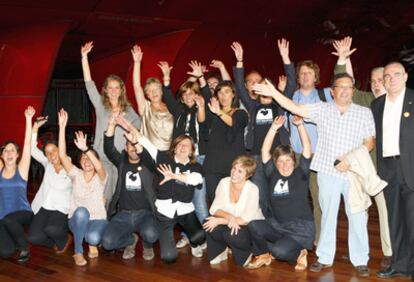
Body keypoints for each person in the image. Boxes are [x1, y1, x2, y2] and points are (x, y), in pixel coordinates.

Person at [253, 72, 375, 277]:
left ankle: (360, 259)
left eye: (349, 87)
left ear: (353, 90)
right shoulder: (322, 109)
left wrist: (350, 160)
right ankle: (325, 257)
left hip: (354, 172)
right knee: (327, 215)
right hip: (327, 171)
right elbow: (295, 108)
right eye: (341, 87)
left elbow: (369, 142)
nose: (345, 90)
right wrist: (274, 92)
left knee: (357, 216)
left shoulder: (364, 112)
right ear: (332, 91)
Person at [118, 117, 206, 263]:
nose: (183, 147)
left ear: (191, 152)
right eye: (180, 145)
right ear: (175, 148)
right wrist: (134, 134)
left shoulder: (196, 166)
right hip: (165, 211)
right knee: (168, 257)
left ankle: (194, 243)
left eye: (187, 146)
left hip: (185, 210)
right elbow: (147, 144)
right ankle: (170, 242)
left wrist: (174, 176)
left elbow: (196, 179)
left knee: (200, 237)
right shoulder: (164, 158)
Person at [231, 41, 292, 217]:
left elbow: (291, 84)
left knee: (278, 192)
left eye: (267, 87)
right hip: (256, 155)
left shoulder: (280, 104)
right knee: (261, 194)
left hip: (277, 155)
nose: (264, 91)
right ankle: (265, 225)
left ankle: (280, 224)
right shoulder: (252, 106)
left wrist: (285, 58)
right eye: (261, 87)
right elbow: (241, 88)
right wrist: (240, 60)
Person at [247, 115, 314, 271]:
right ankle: (263, 255)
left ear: (293, 160)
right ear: (275, 163)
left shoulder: (301, 173)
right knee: (254, 226)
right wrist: (273, 128)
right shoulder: (272, 175)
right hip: (278, 225)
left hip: (299, 228)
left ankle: (299, 252)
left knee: (279, 251)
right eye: (280, 161)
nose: (284, 165)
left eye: (288, 160)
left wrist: (300, 125)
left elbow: (307, 148)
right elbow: (264, 150)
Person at [81, 41, 141, 206]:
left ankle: (115, 222)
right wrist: (84, 57)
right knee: (106, 187)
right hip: (104, 156)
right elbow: (89, 85)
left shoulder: (129, 110)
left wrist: (126, 125)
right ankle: (101, 219)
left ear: (121, 90)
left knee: (120, 190)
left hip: (121, 157)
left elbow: (140, 127)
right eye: (110, 88)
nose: (114, 91)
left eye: (117, 88)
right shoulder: (101, 106)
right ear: (106, 90)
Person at [158, 61, 209, 249]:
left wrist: (200, 77)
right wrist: (166, 77)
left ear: (198, 95)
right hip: (179, 158)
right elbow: (167, 95)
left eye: (192, 92)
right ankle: (189, 235)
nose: (188, 96)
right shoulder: (179, 110)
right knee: (183, 200)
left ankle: (211, 240)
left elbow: (204, 119)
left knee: (199, 202)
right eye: (185, 93)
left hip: (198, 158)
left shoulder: (204, 110)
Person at [372, 62, 414, 279]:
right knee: (395, 221)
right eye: (387, 76)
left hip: (411, 168)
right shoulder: (377, 105)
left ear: (405, 76)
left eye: (397, 74)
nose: (392, 79)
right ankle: (400, 265)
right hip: (388, 170)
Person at [101, 114, 159, 261]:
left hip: (145, 213)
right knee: (107, 243)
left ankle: (147, 244)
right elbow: (108, 149)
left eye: (135, 145)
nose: (133, 148)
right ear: (125, 147)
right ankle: (131, 240)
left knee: (151, 235)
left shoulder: (149, 163)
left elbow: (148, 158)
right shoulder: (121, 161)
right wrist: (112, 125)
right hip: (124, 214)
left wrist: (137, 141)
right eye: (130, 145)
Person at [58, 109, 108, 266]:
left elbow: (99, 166)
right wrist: (62, 127)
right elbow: (61, 156)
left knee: (93, 238)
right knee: (81, 212)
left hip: (97, 218)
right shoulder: (75, 174)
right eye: (84, 158)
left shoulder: (101, 176)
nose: (87, 160)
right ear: (80, 162)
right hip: (77, 218)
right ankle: (78, 252)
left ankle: (89, 240)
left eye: (90, 158)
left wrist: (86, 148)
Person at [204, 155, 264, 266]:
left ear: (248, 175)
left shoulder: (252, 189)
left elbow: (246, 219)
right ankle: (221, 251)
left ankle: (246, 252)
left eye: (240, 171)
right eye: (234, 168)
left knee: (231, 234)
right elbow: (214, 208)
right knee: (208, 222)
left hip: (248, 227)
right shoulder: (224, 182)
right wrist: (230, 218)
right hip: (231, 221)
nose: (234, 173)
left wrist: (221, 221)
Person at [28, 116, 73, 254]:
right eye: (47, 152)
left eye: (53, 150)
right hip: (43, 207)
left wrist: (62, 127)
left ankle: (64, 239)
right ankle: (55, 241)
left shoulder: (71, 167)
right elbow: (31, 148)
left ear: (60, 149)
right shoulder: (47, 164)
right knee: (33, 238)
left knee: (51, 229)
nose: (51, 154)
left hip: (60, 209)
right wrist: (35, 126)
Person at [202, 81, 248, 202]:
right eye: (220, 92)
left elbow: (234, 123)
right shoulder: (213, 113)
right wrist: (201, 107)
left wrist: (219, 112)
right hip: (212, 165)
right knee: (215, 202)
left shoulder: (241, 113)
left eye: (227, 92)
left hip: (232, 166)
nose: (223, 95)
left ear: (233, 94)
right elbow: (202, 124)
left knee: (232, 202)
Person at [0, 106, 35, 262]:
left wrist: (28, 119)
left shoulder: (22, 170)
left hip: (22, 212)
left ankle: (24, 248)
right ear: (1, 155)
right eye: (6, 151)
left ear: (17, 154)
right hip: (2, 217)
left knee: (10, 220)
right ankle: (14, 239)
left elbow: (27, 144)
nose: (9, 153)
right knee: (5, 253)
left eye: (12, 150)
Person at [131, 45, 174, 151]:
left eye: (156, 89)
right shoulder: (145, 107)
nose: (153, 92)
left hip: (169, 155)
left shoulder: (172, 106)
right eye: (149, 90)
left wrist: (167, 76)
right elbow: (137, 86)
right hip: (149, 155)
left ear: (162, 91)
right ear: (147, 95)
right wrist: (137, 62)